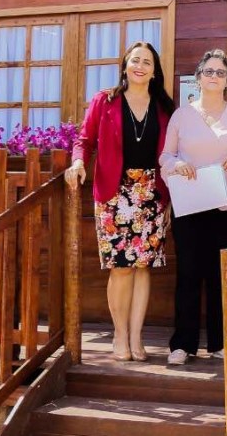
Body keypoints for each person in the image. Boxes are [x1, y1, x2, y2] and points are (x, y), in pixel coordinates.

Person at [66, 41, 175, 362]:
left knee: (144, 268)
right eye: (135, 60)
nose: (141, 66)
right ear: (125, 65)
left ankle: (136, 337)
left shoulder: (164, 106)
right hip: (115, 192)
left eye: (147, 62)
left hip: (152, 192)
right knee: (121, 267)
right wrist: (77, 163)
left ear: (155, 71)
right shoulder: (106, 101)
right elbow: (84, 140)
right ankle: (119, 336)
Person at [160, 50, 227, 365]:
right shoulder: (182, 116)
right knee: (188, 274)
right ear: (198, 77)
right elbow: (166, 157)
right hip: (190, 205)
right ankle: (182, 344)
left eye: (220, 73)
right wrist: (179, 165)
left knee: (222, 276)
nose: (214, 77)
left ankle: (220, 341)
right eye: (209, 71)